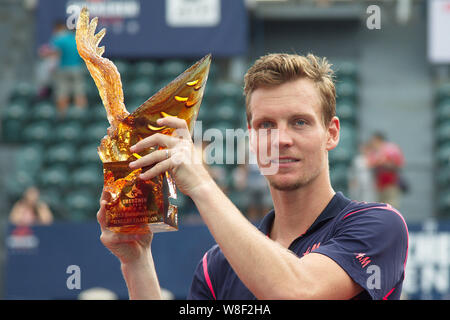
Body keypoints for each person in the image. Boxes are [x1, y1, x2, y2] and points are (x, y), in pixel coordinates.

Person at [96, 53, 408, 300]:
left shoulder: (378, 225)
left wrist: (202, 183)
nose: (281, 139)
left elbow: (297, 291)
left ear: (331, 133)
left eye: (300, 122)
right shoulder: (217, 266)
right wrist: (136, 262)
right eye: (266, 125)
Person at [47, 21, 87, 115]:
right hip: (76, 69)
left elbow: (53, 52)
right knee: (79, 93)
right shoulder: (80, 41)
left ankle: (62, 116)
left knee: (62, 93)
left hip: (63, 69)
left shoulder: (60, 39)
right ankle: (80, 115)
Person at [367, 132, 406, 209]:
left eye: (374, 140)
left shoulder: (391, 149)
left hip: (391, 185)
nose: (372, 143)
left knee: (392, 208)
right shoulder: (374, 151)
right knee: (380, 209)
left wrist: (385, 163)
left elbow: (399, 164)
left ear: (378, 139)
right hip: (378, 186)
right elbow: (369, 164)